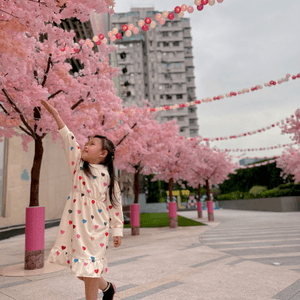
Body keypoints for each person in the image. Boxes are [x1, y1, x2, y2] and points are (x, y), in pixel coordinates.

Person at [41, 100, 124, 300]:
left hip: (97, 226)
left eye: (92, 144)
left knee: (89, 270)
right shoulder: (78, 165)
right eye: (87, 142)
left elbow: (115, 204)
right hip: (76, 224)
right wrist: (57, 116)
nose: (86, 145)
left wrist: (117, 228)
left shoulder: (109, 178)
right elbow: (69, 140)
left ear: (103, 154)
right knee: (81, 270)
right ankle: (107, 288)